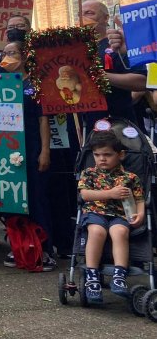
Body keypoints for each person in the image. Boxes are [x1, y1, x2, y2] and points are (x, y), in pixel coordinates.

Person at [0, 41, 55, 272]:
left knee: (37, 198)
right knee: (13, 199)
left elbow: (43, 120)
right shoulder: (0, 84)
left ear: (24, 56)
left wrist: (45, 150)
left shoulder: (35, 84)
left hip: (31, 146)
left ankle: (44, 249)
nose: (7, 57)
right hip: (7, 148)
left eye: (12, 53)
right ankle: (18, 244)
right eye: (4, 53)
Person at [78, 130, 145, 303]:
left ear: (120, 154)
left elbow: (139, 199)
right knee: (97, 232)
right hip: (95, 212)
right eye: (97, 155)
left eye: (107, 155)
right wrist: (111, 193)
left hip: (120, 215)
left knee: (120, 232)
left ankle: (119, 274)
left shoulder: (130, 177)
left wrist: (141, 214)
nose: (102, 159)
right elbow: (85, 195)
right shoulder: (89, 173)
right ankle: (92, 275)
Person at [81, 0, 146, 130]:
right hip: (87, 125)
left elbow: (142, 81)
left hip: (119, 124)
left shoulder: (119, 44)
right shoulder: (77, 49)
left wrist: (101, 75)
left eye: (89, 13)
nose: (83, 18)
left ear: (106, 18)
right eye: (80, 14)